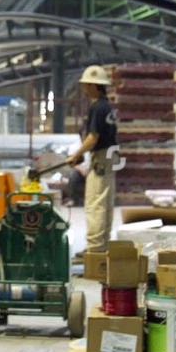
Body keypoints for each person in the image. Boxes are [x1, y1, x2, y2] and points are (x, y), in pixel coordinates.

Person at [65, 65, 117, 255]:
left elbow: (92, 137)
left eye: (86, 85)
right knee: (104, 202)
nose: (83, 88)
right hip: (109, 158)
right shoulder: (107, 106)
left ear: (95, 86)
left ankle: (95, 250)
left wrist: (76, 155)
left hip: (101, 160)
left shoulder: (97, 107)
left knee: (95, 204)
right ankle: (102, 245)